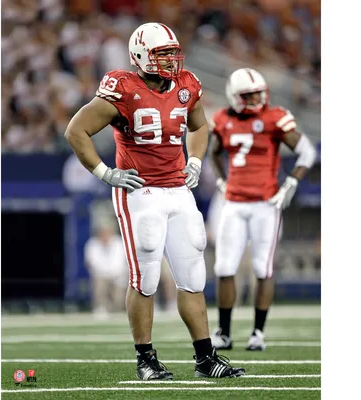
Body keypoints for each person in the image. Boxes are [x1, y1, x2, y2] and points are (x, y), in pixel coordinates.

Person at [65, 22, 245, 380]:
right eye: (162, 54)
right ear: (140, 55)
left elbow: (198, 126)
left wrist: (194, 160)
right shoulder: (123, 87)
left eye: (172, 53)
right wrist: (105, 173)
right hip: (138, 192)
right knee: (145, 277)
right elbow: (76, 130)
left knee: (193, 273)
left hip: (178, 188)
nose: (170, 60)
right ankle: (146, 359)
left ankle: (205, 358)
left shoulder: (186, 85)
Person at [208, 67, 316, 351]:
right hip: (233, 202)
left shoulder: (274, 117)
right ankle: (225, 332)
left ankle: (258, 332)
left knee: (262, 268)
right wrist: (221, 180)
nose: (256, 98)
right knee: (224, 267)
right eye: (249, 94)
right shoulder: (222, 119)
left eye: (259, 92)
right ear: (234, 96)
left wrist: (292, 182)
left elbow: (307, 151)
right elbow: (213, 151)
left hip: (265, 204)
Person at [84, 224, 128, 319]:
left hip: (118, 275)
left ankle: (117, 310)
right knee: (99, 285)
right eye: (103, 233)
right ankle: (100, 308)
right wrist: (103, 273)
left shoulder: (119, 243)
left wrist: (116, 273)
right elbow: (90, 262)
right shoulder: (92, 244)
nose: (105, 235)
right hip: (101, 275)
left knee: (118, 298)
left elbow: (123, 261)